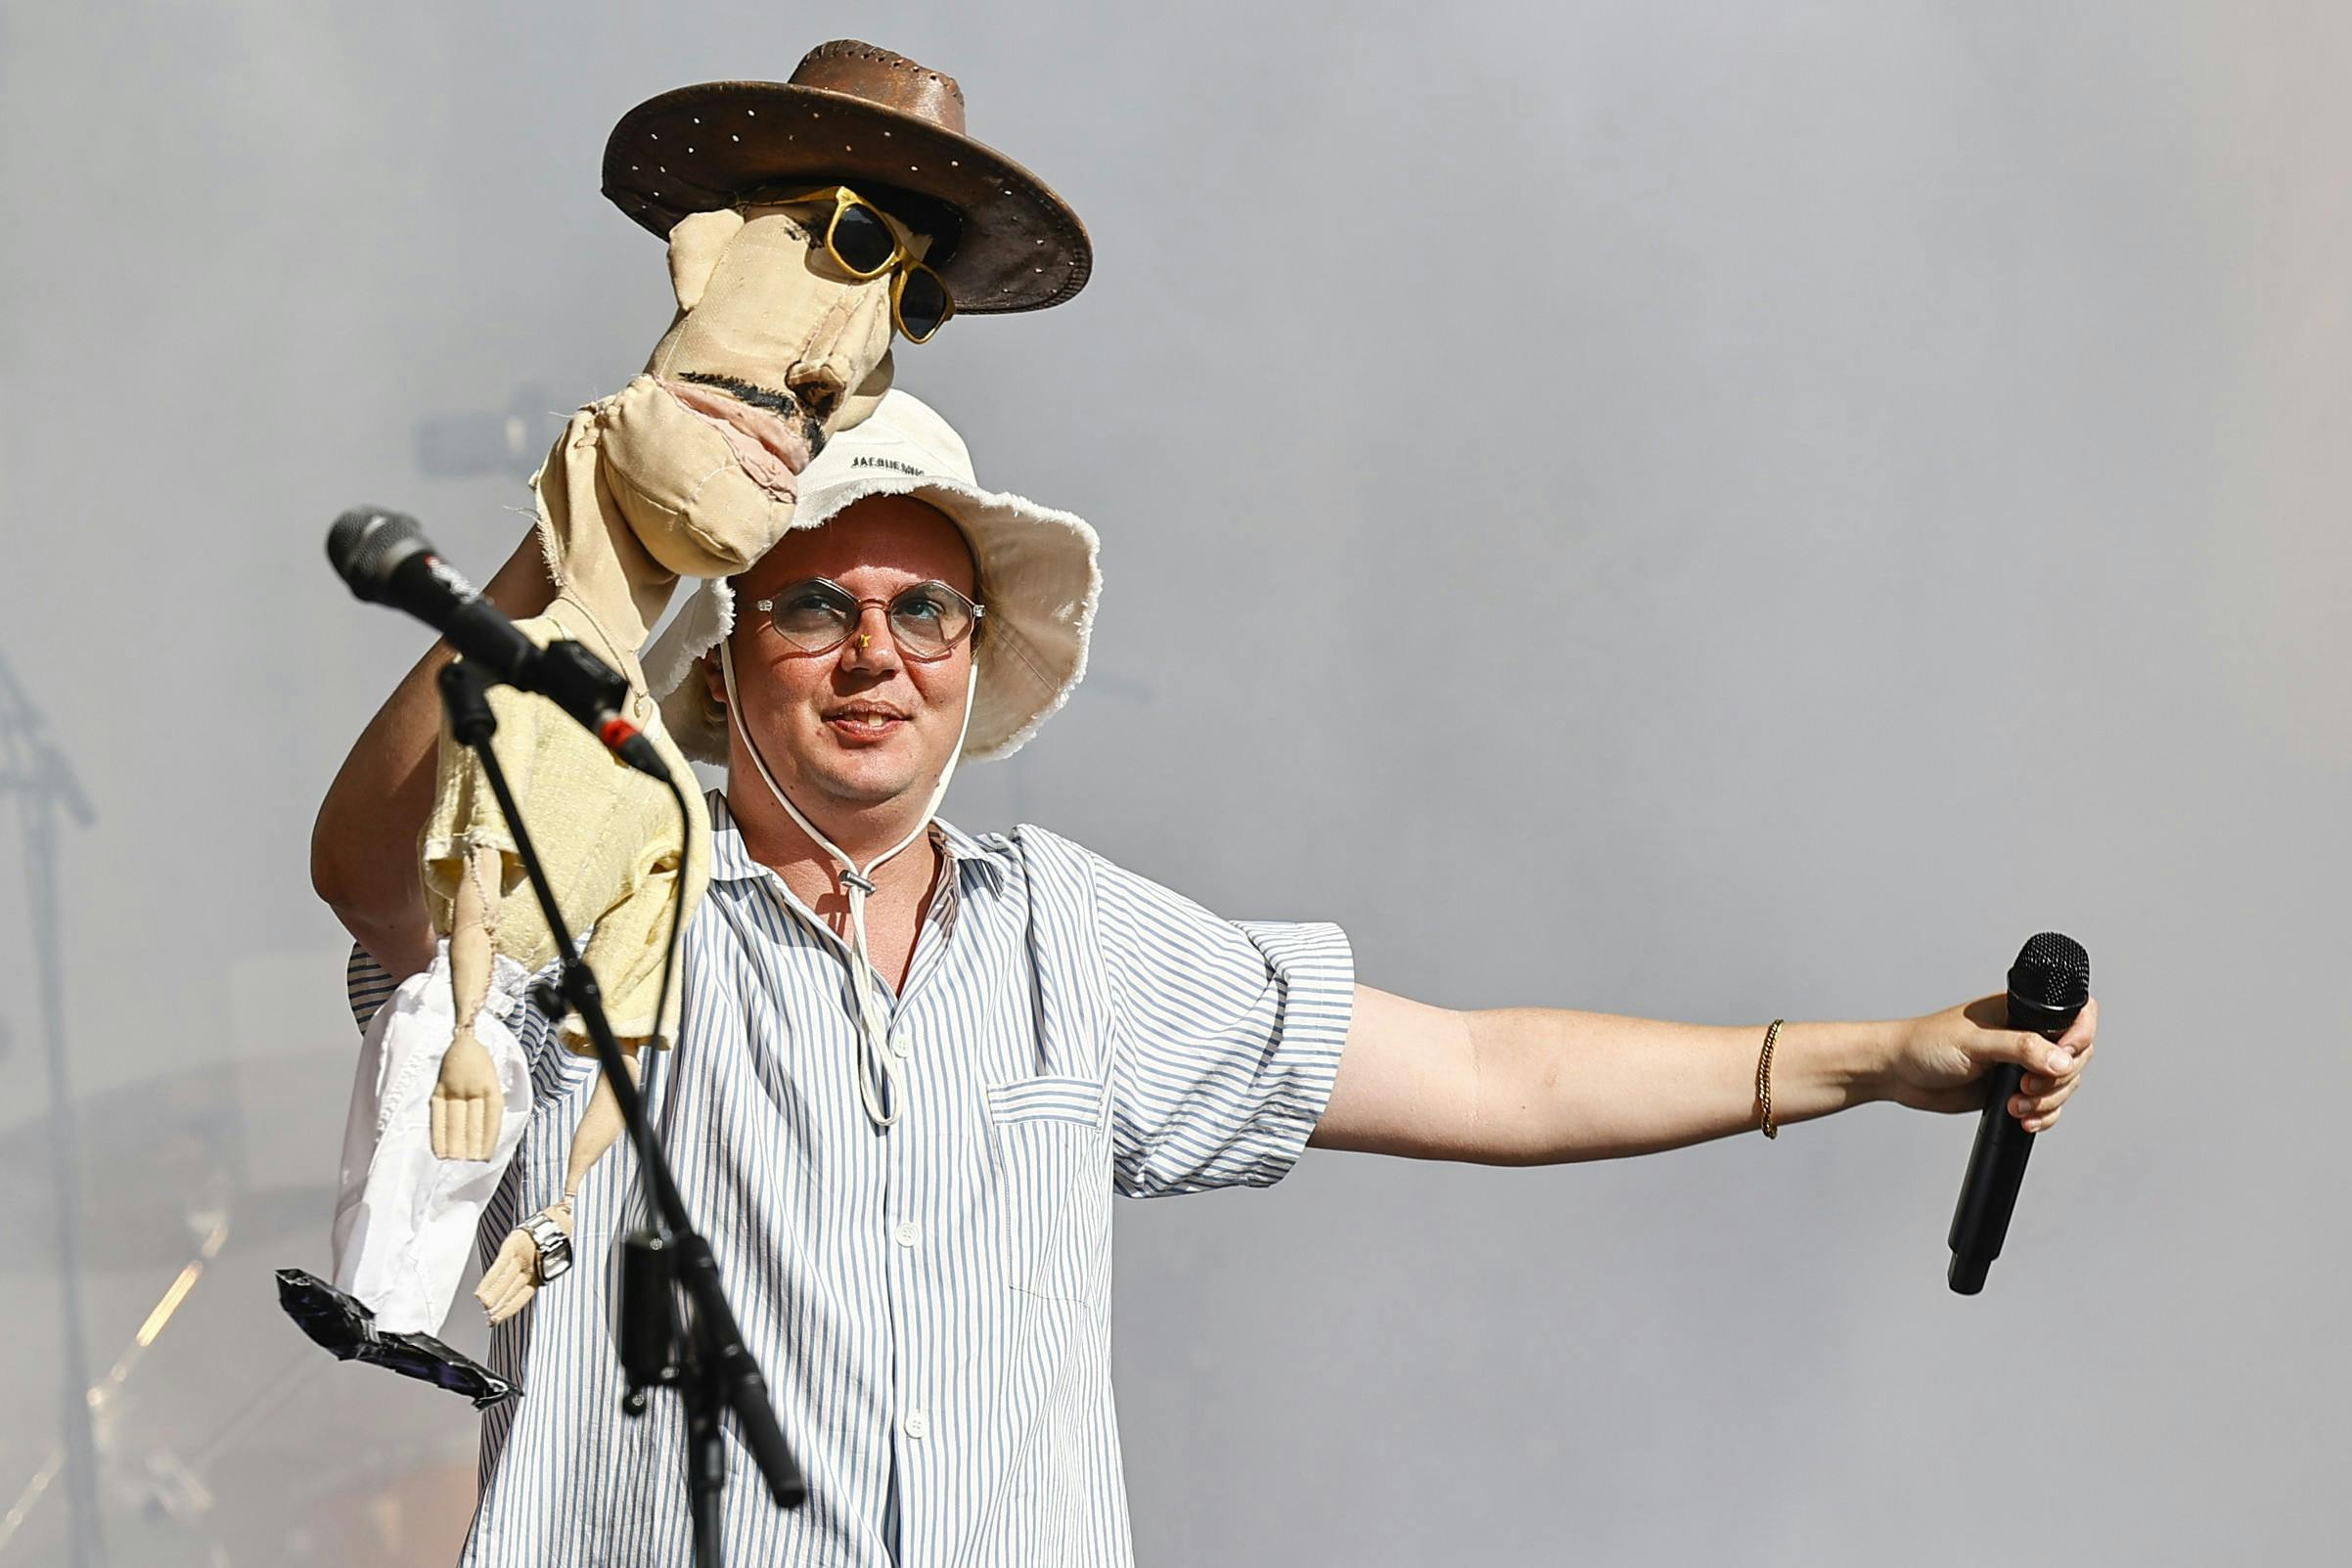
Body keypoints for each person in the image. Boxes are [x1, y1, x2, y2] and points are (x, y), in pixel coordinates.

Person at [311, 391, 2099, 1565]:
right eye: (811, 606)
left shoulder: (1071, 939)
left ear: (976, 660)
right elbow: (376, 882)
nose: (874, 654)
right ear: (725, 669)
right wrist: (587, 520)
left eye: (922, 611)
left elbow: (1484, 1076)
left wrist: (1879, 1055)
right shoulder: (608, 899)